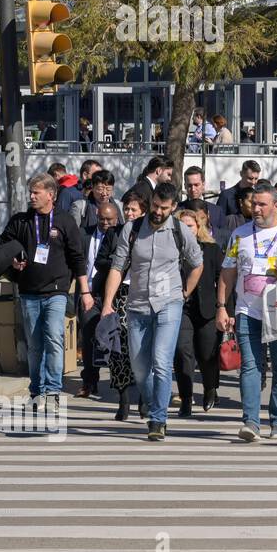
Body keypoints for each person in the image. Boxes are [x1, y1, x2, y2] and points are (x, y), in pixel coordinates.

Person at [100, 182, 203, 441]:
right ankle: (151, 398)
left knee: (161, 361)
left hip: (169, 304)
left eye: (164, 208)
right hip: (137, 306)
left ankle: (158, 419)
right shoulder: (132, 229)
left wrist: (185, 292)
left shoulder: (180, 231)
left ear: (173, 207)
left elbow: (197, 263)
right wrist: (107, 303)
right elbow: (117, 266)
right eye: (155, 205)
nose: (158, 211)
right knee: (140, 368)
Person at [217, 182, 277, 441]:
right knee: (250, 367)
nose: (256, 209)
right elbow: (228, 271)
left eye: (262, 204)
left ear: (276, 204)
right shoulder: (240, 235)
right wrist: (221, 307)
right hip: (248, 310)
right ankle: (250, 422)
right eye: (253, 204)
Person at [0, 173, 93, 407]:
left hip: (57, 291)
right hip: (29, 292)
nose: (31, 196)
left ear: (51, 195)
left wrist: (85, 291)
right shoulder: (20, 221)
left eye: (36, 192)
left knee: (54, 338)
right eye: (31, 192)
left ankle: (52, 391)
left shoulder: (64, 221)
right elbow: (4, 245)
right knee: (35, 344)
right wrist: (12, 261)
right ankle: (36, 390)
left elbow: (77, 258)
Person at [174, 208, 224, 413]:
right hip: (181, 308)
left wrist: (225, 309)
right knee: (182, 352)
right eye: (182, 227)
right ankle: (186, 397)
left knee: (206, 354)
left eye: (190, 226)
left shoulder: (211, 250)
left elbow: (223, 279)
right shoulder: (172, 250)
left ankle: (210, 389)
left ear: (198, 228)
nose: (187, 230)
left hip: (207, 309)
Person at [76, 201, 122, 399]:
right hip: (90, 293)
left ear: (117, 218)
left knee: (118, 338)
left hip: (117, 294)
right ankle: (89, 381)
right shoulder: (84, 234)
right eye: (101, 218)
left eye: (109, 219)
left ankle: (121, 382)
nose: (105, 223)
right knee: (88, 335)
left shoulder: (121, 234)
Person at [71, 169, 122, 234]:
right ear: (92, 187)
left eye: (108, 189)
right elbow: (73, 233)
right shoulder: (80, 206)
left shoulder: (119, 206)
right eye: (100, 189)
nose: (104, 193)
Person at [182, 166, 226, 236]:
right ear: (185, 186)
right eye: (189, 185)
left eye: (196, 185)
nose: (193, 189)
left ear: (203, 184)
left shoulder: (217, 211)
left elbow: (222, 237)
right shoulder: (177, 210)